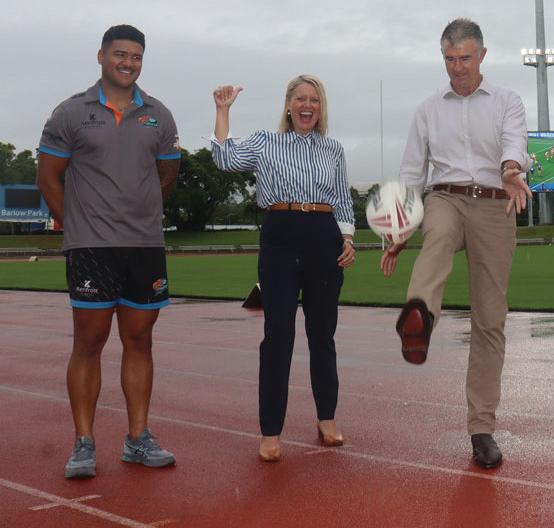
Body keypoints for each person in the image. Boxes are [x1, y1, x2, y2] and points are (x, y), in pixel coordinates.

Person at [379, 18, 531, 469]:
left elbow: (514, 141)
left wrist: (510, 169)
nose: (457, 67)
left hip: (496, 203)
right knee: (438, 236)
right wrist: (399, 231)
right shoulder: (428, 109)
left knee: (489, 320)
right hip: (445, 196)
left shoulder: (507, 101)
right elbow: (411, 174)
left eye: (465, 58)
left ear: (482, 55)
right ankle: (419, 316)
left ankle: (481, 429)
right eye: (449, 59)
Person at [37, 25, 181, 478]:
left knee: (140, 341)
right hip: (91, 248)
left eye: (136, 56)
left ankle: (138, 438)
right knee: (89, 342)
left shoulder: (159, 115)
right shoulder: (70, 113)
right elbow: (47, 179)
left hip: (143, 246)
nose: (128, 63)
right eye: (120, 54)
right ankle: (84, 443)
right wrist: (79, 226)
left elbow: (168, 178)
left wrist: (138, 212)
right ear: (100, 56)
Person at [211, 75, 356, 462]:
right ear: (288, 104)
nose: (307, 106)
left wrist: (348, 239)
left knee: (322, 332)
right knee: (278, 334)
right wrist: (223, 111)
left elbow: (343, 199)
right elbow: (225, 159)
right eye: (300, 99)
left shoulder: (334, 149)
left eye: (315, 100)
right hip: (280, 234)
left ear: (321, 107)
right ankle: (270, 430)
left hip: (324, 237)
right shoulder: (265, 141)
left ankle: (327, 417)